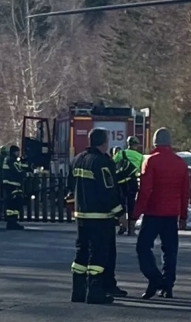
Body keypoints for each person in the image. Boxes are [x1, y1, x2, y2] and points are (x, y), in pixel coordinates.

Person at [66, 128, 126, 304]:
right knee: (98, 256)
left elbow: (70, 187)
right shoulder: (101, 162)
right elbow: (108, 191)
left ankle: (78, 291)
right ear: (104, 142)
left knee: (81, 253)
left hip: (81, 216)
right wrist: (120, 213)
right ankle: (95, 292)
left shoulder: (77, 160)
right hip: (100, 217)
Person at [131, 127, 189, 300]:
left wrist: (135, 214)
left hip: (153, 212)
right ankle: (168, 285)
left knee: (143, 247)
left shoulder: (151, 161)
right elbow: (185, 193)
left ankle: (155, 278)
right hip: (171, 214)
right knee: (170, 250)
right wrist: (183, 216)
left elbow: (145, 191)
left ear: (155, 142)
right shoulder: (180, 163)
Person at [112, 145, 139, 236]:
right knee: (131, 206)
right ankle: (131, 228)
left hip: (121, 186)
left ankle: (123, 226)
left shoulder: (114, 163)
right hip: (131, 184)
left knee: (122, 206)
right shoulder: (132, 160)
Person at [1, 145, 29, 230]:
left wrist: (26, 164)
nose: (18, 153)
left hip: (12, 184)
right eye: (17, 152)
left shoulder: (10, 160)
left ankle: (12, 221)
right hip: (12, 184)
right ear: (13, 152)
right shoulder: (11, 160)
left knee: (14, 203)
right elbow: (18, 170)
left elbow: (19, 166)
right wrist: (27, 174)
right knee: (14, 202)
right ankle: (12, 222)